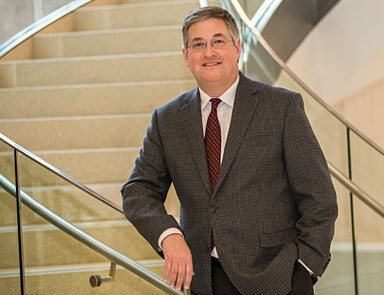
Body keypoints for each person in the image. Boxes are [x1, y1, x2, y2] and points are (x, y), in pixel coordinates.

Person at [121, 6, 337, 295]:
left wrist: (305, 268)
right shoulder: (168, 119)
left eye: (218, 41)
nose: (209, 52)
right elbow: (138, 190)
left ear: (237, 48)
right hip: (204, 281)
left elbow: (319, 197)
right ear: (186, 57)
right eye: (198, 44)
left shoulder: (281, 107)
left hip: (278, 279)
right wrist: (168, 234)